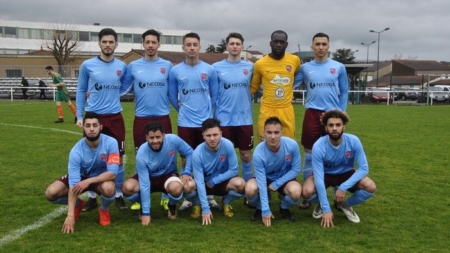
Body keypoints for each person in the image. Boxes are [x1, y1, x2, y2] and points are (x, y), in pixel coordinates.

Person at [294, 32, 349, 209]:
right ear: (312, 47)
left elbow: (344, 91)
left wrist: (340, 113)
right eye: (317, 44)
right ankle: (308, 194)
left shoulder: (338, 67)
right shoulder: (305, 68)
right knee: (309, 154)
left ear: (328, 46)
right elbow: (291, 85)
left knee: (335, 152)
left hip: (332, 114)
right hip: (312, 113)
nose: (320, 47)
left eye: (324, 44)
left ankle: (336, 192)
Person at [121, 29, 174, 211]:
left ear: (159, 44)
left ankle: (167, 195)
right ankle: (139, 197)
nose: (150, 45)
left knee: (167, 154)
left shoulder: (167, 65)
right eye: (147, 42)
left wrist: (182, 107)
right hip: (141, 118)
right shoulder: (133, 66)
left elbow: (173, 92)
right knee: (140, 156)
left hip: (162, 117)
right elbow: (123, 89)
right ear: (143, 44)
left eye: (154, 42)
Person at [76, 28, 128, 211]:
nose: (108, 45)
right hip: (93, 117)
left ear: (116, 44)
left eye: (111, 42)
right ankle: (91, 196)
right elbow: (81, 90)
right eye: (104, 41)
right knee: (91, 158)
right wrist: (79, 115)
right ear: (99, 43)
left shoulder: (122, 67)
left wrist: (114, 94)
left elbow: (126, 84)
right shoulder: (87, 65)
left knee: (118, 158)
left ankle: (119, 194)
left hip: (115, 117)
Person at [168, 32, 221, 211]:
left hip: (204, 124)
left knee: (208, 158)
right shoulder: (175, 71)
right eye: (188, 45)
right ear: (183, 48)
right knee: (186, 158)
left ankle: (209, 195)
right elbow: (171, 95)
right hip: (185, 123)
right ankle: (188, 196)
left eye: (195, 44)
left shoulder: (210, 69)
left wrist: (208, 114)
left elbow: (215, 94)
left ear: (199, 47)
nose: (191, 48)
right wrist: (181, 109)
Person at [44, 112, 120, 233]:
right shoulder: (76, 151)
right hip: (81, 177)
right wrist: (70, 216)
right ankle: (78, 204)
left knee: (109, 188)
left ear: (101, 126)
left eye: (95, 125)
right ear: (83, 127)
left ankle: (104, 209)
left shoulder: (111, 143)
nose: (91, 129)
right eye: (88, 125)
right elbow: (74, 185)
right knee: (50, 193)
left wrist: (88, 181)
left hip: (101, 178)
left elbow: (112, 173)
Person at [301, 110, 376, 228]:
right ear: (325, 128)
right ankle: (322, 202)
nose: (334, 128)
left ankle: (344, 205)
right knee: (306, 192)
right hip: (325, 175)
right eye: (331, 125)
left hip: (345, 174)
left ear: (343, 127)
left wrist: (343, 187)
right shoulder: (319, 146)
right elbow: (319, 179)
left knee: (370, 186)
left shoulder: (353, 141)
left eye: (338, 125)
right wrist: (326, 210)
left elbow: (364, 168)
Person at [122, 121, 194, 225]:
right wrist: (146, 213)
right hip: (148, 177)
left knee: (177, 188)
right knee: (127, 188)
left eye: (158, 137)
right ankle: (143, 205)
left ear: (163, 135)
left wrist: (186, 172)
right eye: (151, 138)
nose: (155, 141)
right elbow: (145, 184)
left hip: (168, 175)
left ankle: (172, 205)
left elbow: (189, 152)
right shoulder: (141, 153)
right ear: (146, 137)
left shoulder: (173, 140)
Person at [184, 118, 245, 225]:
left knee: (240, 184)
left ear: (221, 134)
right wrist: (206, 209)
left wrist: (214, 181)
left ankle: (226, 202)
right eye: (208, 135)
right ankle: (197, 203)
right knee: (187, 186)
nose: (212, 138)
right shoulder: (197, 153)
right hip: (204, 184)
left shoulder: (228, 145)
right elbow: (199, 181)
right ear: (203, 136)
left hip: (221, 183)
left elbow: (234, 170)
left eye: (215, 135)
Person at [212, 32, 254, 184]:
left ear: (242, 47)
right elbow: (209, 91)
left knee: (246, 155)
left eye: (238, 44)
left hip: (244, 119)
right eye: (232, 43)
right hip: (223, 119)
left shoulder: (250, 67)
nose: (235, 46)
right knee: (222, 156)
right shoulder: (216, 67)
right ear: (227, 46)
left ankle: (250, 191)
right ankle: (222, 189)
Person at [245, 116, 302, 227]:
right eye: (269, 132)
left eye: (276, 132)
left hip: (284, 178)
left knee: (296, 192)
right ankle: (261, 207)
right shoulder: (258, 153)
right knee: (249, 190)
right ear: (264, 133)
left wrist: (277, 183)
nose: (272, 136)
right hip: (265, 179)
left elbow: (296, 169)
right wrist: (266, 210)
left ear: (282, 132)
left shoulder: (292, 145)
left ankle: (284, 207)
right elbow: (261, 182)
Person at [250, 30, 301, 141]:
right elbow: (253, 88)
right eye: (275, 41)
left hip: (286, 109)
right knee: (264, 146)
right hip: (267, 109)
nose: (278, 44)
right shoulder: (260, 63)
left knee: (288, 146)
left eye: (281, 42)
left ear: (286, 44)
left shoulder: (295, 60)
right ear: (270, 43)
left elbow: (296, 75)